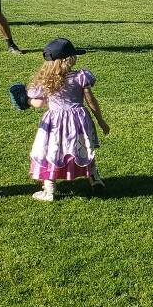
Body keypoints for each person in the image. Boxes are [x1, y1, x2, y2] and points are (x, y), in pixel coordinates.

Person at [27, 38, 110, 201]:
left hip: (55, 123)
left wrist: (27, 100)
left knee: (51, 151)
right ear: (69, 59)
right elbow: (90, 100)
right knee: (83, 148)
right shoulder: (80, 76)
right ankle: (95, 179)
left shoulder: (47, 80)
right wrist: (101, 120)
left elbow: (39, 103)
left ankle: (49, 190)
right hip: (79, 120)